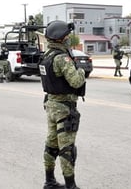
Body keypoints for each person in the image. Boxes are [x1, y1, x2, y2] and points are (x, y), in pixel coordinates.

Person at [39, 20, 86, 189]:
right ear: (59, 38)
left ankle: (49, 181)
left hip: (51, 105)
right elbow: (75, 81)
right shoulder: (62, 58)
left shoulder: (47, 56)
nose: (68, 38)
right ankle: (70, 186)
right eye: (66, 36)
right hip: (64, 109)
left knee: (51, 145)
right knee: (67, 149)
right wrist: (81, 70)